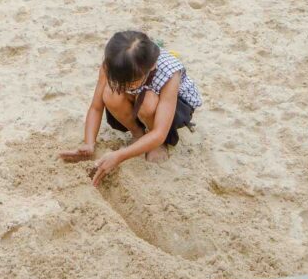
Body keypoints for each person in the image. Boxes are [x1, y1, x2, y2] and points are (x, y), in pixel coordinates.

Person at [59, 30, 202, 183]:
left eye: (130, 83)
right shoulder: (114, 63)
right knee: (109, 93)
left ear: (152, 66)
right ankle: (138, 133)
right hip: (138, 100)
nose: (124, 86)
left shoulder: (170, 72)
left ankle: (157, 145)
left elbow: (160, 132)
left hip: (173, 108)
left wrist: (120, 155)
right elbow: (96, 107)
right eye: (120, 82)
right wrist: (89, 143)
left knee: (148, 100)